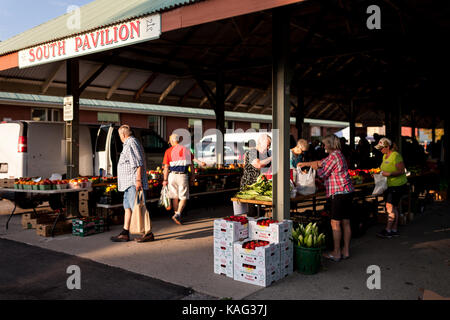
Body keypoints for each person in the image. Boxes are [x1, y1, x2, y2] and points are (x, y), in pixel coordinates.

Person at [299, 134, 354, 261]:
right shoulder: (338, 154)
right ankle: (345, 251)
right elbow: (320, 162)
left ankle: (336, 252)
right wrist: (305, 163)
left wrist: (314, 169)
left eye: (324, 144)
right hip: (348, 192)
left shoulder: (333, 156)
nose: (323, 146)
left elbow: (322, 173)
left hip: (338, 193)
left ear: (329, 144)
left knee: (335, 223)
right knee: (346, 222)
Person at [111, 125, 154, 243]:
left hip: (133, 182)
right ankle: (125, 232)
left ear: (123, 135)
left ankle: (148, 233)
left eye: (120, 135)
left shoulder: (131, 143)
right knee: (128, 208)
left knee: (138, 208)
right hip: (128, 184)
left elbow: (139, 162)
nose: (120, 137)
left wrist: (138, 180)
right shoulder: (129, 144)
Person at [374, 137, 408, 238]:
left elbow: (402, 171)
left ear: (387, 147)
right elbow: (384, 170)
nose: (380, 150)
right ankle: (394, 229)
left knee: (389, 207)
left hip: (397, 186)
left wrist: (389, 174)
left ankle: (388, 230)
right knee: (394, 208)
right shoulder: (384, 156)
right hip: (389, 186)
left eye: (381, 148)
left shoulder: (396, 156)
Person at [162, 133, 194, 225]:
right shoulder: (186, 150)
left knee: (174, 197)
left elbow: (166, 167)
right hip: (182, 176)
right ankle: (178, 214)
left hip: (172, 176)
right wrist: (192, 176)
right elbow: (191, 165)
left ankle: (176, 215)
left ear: (172, 141)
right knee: (183, 197)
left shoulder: (168, 151)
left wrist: (165, 179)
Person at [238, 134, 272, 216]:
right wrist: (272, 158)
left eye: (269, 146)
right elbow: (258, 165)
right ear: (260, 143)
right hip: (249, 186)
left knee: (261, 213)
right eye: (267, 145)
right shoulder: (251, 152)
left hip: (260, 186)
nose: (268, 148)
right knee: (252, 213)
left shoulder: (265, 155)